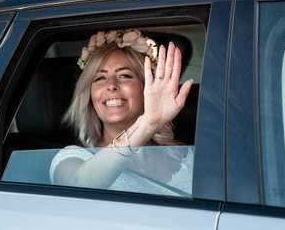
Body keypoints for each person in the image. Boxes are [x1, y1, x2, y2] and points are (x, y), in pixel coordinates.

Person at [49, 29, 195, 196]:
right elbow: (78, 185)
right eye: (100, 78)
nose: (111, 85)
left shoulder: (184, 154)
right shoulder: (71, 157)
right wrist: (149, 124)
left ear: (147, 87)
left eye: (125, 75)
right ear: (89, 95)